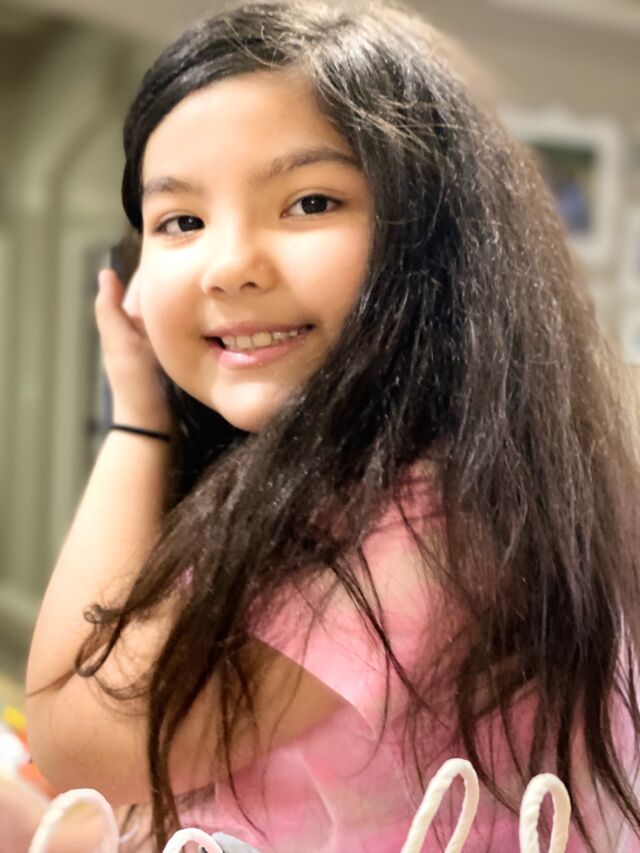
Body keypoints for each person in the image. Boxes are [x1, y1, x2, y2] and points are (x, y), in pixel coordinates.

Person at [23, 2, 640, 851]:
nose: (230, 266)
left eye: (310, 202)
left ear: (436, 245)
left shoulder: (425, 525)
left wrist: (138, 418)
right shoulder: (348, 478)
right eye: (181, 221)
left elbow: (81, 744)